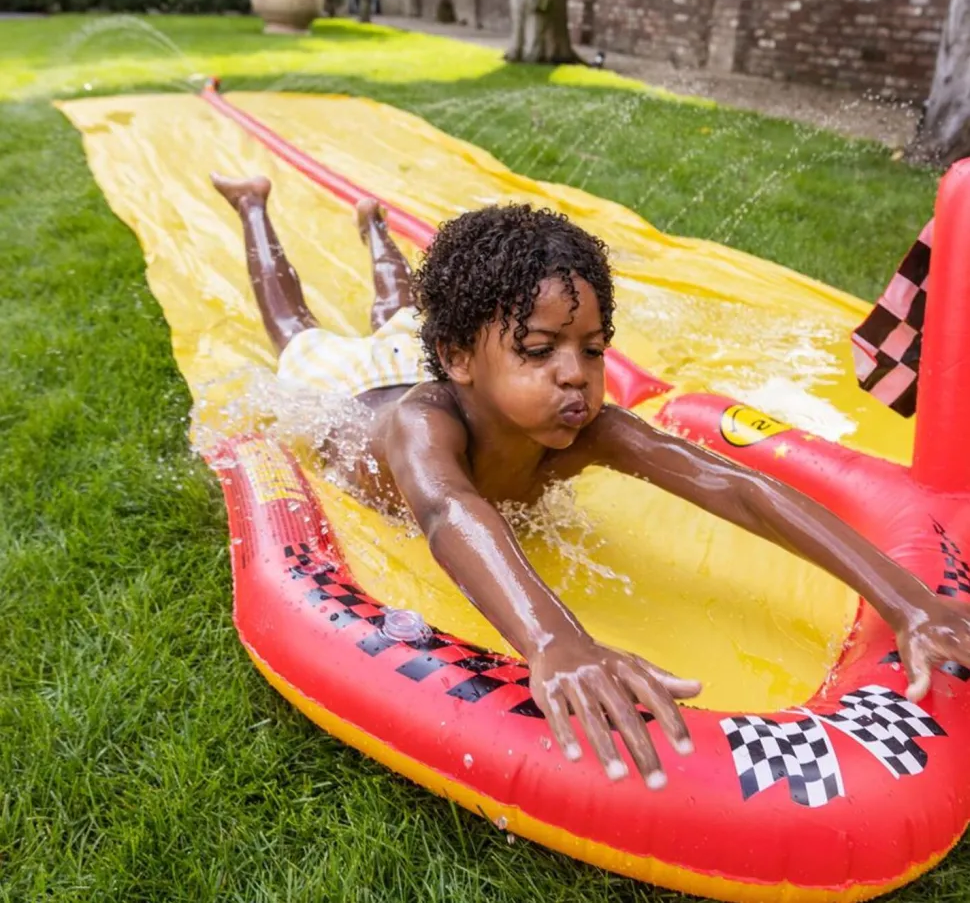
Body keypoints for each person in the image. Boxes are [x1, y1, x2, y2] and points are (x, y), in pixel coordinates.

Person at [211, 172, 970, 790]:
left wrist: (905, 599)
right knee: (296, 335)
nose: (575, 376)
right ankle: (253, 204)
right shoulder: (422, 426)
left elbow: (734, 486)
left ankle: (373, 227)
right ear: (463, 360)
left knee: (397, 314)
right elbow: (447, 510)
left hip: (436, 355)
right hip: (353, 394)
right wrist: (554, 640)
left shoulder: (584, 426)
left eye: (594, 348)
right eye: (541, 351)